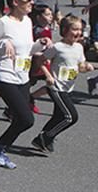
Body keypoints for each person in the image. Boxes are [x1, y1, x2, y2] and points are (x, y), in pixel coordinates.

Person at [0, 0, 50, 169]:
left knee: (21, 119)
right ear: (15, 2)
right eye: (28, 0)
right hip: (5, 76)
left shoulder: (27, 21)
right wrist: (3, 42)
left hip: (22, 76)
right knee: (27, 119)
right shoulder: (3, 22)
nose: (32, 3)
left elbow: (27, 50)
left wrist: (40, 44)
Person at [30, 15, 94, 152]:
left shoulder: (78, 47)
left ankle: (41, 140)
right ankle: (47, 136)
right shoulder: (57, 47)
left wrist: (86, 67)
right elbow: (39, 61)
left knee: (58, 116)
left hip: (68, 87)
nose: (78, 33)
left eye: (80, 30)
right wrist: (47, 75)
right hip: (56, 86)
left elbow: (80, 66)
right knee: (71, 117)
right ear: (65, 30)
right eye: (74, 29)